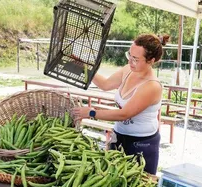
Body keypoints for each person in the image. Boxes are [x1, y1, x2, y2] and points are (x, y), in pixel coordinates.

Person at [73, 33, 170, 175]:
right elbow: (105, 84)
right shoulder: (128, 70)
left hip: (142, 144)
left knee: (136, 186)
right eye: (129, 55)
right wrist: (84, 67)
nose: (130, 61)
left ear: (151, 61)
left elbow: (124, 114)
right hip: (119, 136)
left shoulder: (152, 86)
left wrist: (91, 113)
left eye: (136, 59)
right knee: (111, 178)